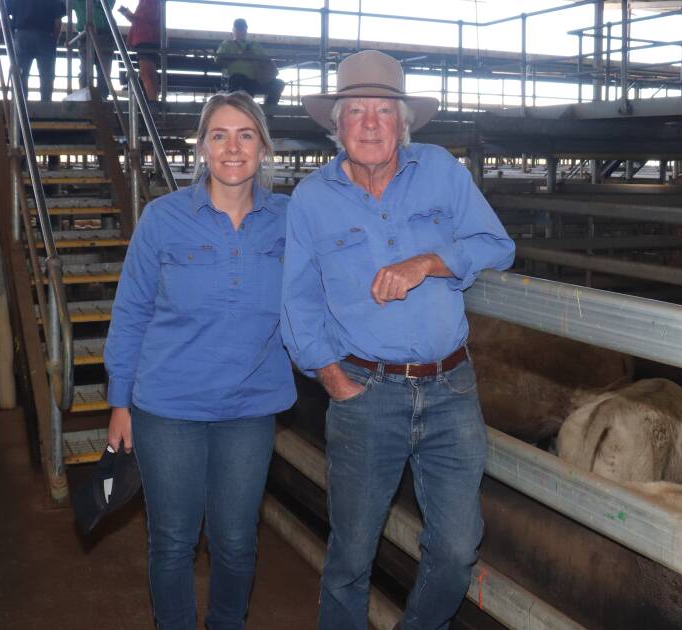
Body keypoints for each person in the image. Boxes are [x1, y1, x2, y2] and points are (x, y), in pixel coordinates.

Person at [282, 50, 515, 630]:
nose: (368, 122)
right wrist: (335, 381)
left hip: (451, 389)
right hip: (365, 393)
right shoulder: (312, 199)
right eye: (354, 110)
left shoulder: (440, 169)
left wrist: (435, 260)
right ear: (335, 126)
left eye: (382, 110)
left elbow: (497, 244)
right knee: (351, 556)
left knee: (458, 548)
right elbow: (298, 302)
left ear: (402, 121)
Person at [104, 91, 295, 630]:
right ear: (202, 149)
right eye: (219, 135)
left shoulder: (292, 219)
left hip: (251, 406)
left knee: (235, 540)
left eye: (245, 135)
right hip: (167, 407)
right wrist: (120, 402)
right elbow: (131, 311)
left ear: (263, 149)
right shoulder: (163, 219)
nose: (232, 147)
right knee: (173, 541)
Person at [216, 18, 284, 106]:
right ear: (233, 30)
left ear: (246, 29)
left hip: (257, 79)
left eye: (243, 28)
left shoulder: (255, 45)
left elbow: (266, 61)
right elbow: (218, 60)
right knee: (239, 78)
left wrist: (253, 57)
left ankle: (269, 110)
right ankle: (240, 107)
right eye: (238, 28)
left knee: (278, 83)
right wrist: (236, 56)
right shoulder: (227, 44)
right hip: (238, 80)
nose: (241, 30)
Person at [7, 0, 65, 102]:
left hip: (22, 33)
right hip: (46, 34)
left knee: (20, 74)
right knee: (47, 75)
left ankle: (20, 105)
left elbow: (5, 11)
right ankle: (46, 105)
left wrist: (13, 34)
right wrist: (54, 39)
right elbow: (57, 20)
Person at [72, 0, 116, 97]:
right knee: (91, 70)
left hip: (103, 33)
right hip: (89, 34)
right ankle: (88, 97)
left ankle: (100, 98)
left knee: (102, 70)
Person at [118, 0, 159, 100]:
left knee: (145, 73)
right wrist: (130, 15)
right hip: (149, 38)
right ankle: (154, 100)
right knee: (149, 72)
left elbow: (149, 16)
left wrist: (131, 15)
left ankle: (153, 101)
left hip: (145, 38)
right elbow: (145, 18)